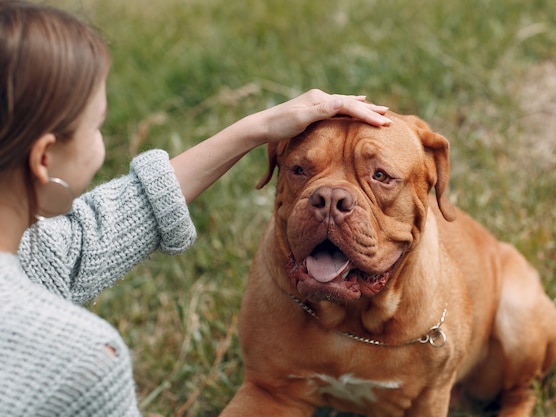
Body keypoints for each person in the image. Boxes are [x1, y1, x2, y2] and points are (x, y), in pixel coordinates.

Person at [0, 1, 391, 416]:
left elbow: (87, 237)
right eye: (97, 126)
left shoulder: (30, 259)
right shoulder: (79, 360)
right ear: (44, 158)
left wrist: (258, 128)